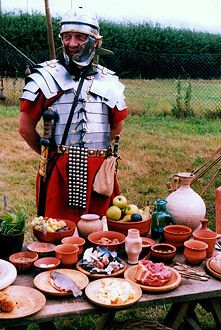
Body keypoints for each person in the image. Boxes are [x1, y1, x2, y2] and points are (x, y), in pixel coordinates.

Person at [19, 6, 128, 224]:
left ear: (96, 40)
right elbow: (25, 127)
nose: (72, 43)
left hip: (99, 171)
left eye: (80, 37)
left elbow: (116, 126)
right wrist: (49, 154)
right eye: (67, 37)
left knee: (99, 233)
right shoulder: (46, 76)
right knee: (58, 231)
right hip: (60, 168)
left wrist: (97, 157)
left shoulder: (109, 81)